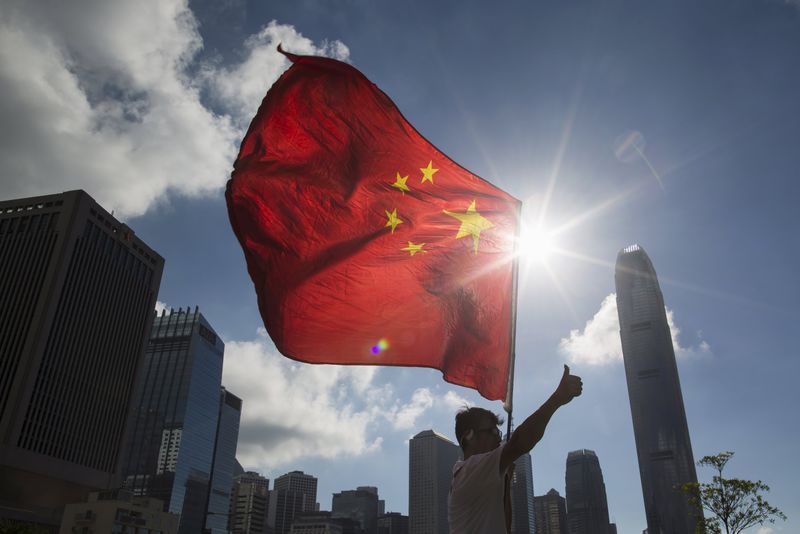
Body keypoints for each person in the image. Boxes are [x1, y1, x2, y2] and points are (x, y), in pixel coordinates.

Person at [449, 365, 583, 533]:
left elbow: (504, 528)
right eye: (491, 431)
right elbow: (519, 442)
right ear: (468, 435)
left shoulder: (476, 476)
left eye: (498, 431)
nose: (498, 437)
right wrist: (556, 399)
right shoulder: (469, 470)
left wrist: (504, 482)